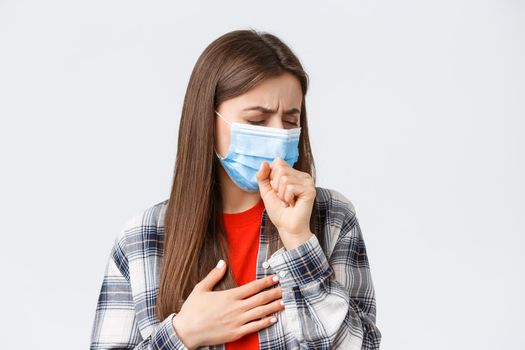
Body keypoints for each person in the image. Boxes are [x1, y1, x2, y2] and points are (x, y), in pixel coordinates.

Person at [90, 29, 382, 350]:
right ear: (208, 120)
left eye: (289, 120)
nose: (278, 135)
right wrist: (182, 334)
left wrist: (299, 241)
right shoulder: (142, 238)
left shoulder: (332, 217)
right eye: (257, 121)